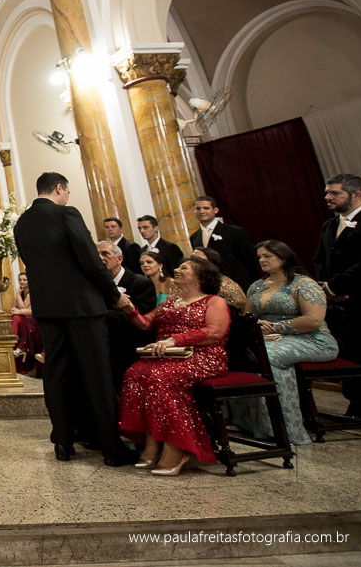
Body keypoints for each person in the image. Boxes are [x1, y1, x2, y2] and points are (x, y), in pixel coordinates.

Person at [12, 172, 138, 466]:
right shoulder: (67, 213)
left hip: (47, 307)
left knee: (57, 373)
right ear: (60, 188)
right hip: (81, 305)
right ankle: (111, 447)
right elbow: (91, 261)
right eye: (66, 192)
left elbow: (34, 265)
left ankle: (64, 442)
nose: (67, 196)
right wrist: (114, 297)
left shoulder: (22, 223)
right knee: (96, 374)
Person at [118, 257, 230, 476]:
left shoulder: (213, 301)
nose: (177, 270)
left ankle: (177, 446)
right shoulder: (171, 301)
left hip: (202, 355)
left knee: (161, 378)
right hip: (167, 356)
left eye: (184, 268)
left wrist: (174, 340)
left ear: (200, 277)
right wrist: (129, 308)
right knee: (134, 373)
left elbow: (214, 332)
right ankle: (153, 442)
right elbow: (145, 323)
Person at [228, 240, 338, 445]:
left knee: (267, 357)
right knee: (243, 355)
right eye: (259, 256)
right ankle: (250, 423)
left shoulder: (303, 283)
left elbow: (314, 320)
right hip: (269, 339)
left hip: (312, 340)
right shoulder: (257, 285)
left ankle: (285, 427)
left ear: (284, 257)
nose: (262, 260)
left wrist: (278, 327)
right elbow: (249, 316)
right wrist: (257, 323)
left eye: (267, 256)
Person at [314, 173, 361, 418]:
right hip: (337, 304)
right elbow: (319, 258)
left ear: (356, 194)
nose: (328, 197)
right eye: (327, 192)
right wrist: (325, 288)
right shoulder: (330, 224)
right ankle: (357, 403)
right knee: (350, 354)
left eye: (335, 193)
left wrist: (337, 286)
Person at [97, 240, 157, 393]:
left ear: (119, 259)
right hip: (103, 347)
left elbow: (143, 320)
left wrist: (98, 313)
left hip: (130, 348)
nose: (100, 258)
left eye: (105, 254)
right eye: (96, 255)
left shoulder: (140, 283)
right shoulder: (95, 285)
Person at [189, 196, 259, 287]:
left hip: (238, 284)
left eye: (206, 208)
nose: (202, 211)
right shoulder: (194, 237)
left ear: (215, 210)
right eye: (198, 208)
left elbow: (250, 260)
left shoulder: (235, 232)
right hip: (212, 286)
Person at [191, 247, 248, 312]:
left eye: (198, 260)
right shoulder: (182, 282)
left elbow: (240, 306)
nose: (191, 263)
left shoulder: (225, 285)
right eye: (192, 258)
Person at [10, 273, 42, 376]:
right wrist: (19, 296)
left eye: (25, 280)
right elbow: (16, 308)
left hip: (33, 322)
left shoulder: (33, 293)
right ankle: (13, 340)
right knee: (15, 317)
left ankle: (20, 348)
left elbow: (31, 311)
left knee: (25, 319)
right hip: (24, 320)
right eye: (20, 280)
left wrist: (19, 310)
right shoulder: (20, 292)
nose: (22, 282)